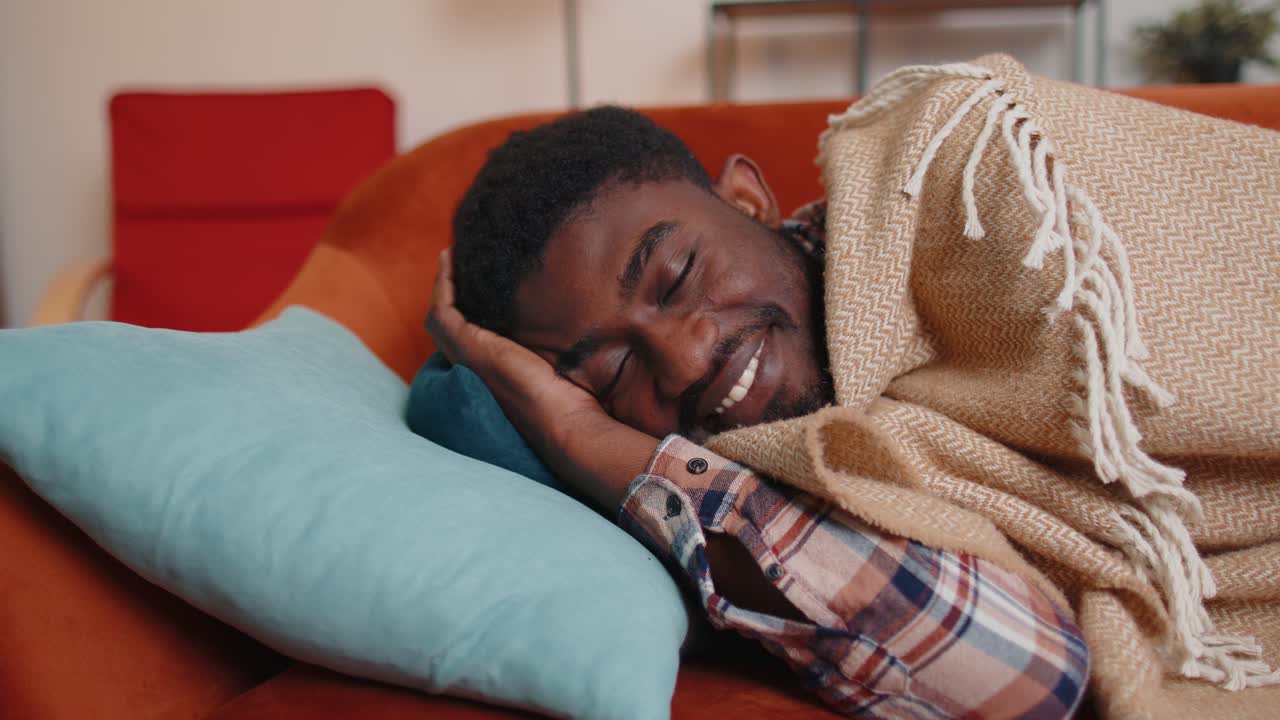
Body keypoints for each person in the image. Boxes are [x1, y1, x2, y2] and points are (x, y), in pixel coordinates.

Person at [428, 106, 1089, 718]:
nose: (685, 361)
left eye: (679, 275)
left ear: (748, 199)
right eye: (615, 370)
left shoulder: (970, 237)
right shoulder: (733, 484)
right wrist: (576, 430)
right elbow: (1032, 678)